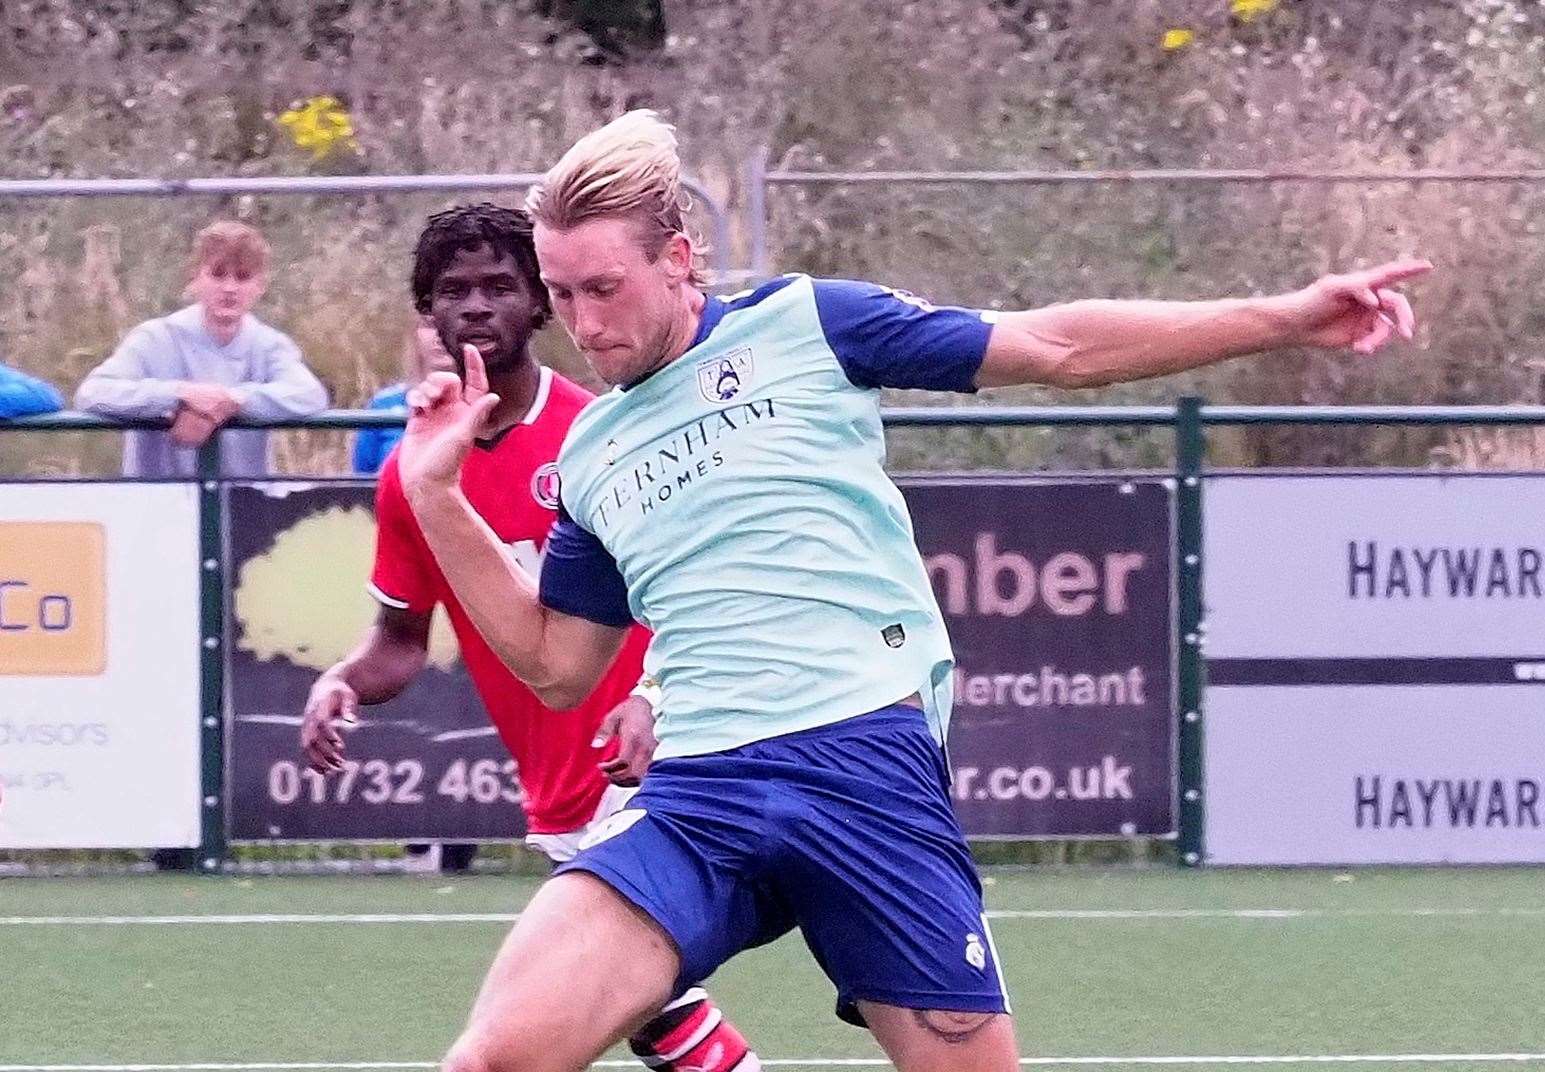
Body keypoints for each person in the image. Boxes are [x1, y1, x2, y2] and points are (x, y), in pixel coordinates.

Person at [396, 111, 1430, 1072]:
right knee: (493, 1057)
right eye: (562, 293)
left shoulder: (810, 326)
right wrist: (435, 493)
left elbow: (1058, 347)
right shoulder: (592, 451)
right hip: (699, 794)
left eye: (604, 288)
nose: (584, 323)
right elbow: (556, 665)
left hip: (862, 765)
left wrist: (1285, 317)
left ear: (680, 257)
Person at [300, 203, 759, 1072]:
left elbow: (693, 590)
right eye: (451, 291)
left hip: (651, 769)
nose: (475, 306)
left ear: (539, 304)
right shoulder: (415, 469)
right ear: (427, 314)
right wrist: (344, 682)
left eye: (498, 286)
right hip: (556, 786)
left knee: (540, 1025)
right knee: (652, 1012)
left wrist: (652, 695)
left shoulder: (605, 433)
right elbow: (401, 639)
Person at [75, 220, 327, 478]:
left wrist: (233, 402)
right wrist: (180, 395)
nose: (229, 288)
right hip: (155, 504)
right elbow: (92, 392)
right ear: (195, 278)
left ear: (260, 286)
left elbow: (310, 394)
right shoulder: (155, 337)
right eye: (218, 274)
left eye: (242, 277)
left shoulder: (270, 345)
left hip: (242, 503)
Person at [352, 319, 455, 477]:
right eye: (429, 325)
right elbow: (362, 484)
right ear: (415, 334)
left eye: (452, 323)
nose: (439, 335)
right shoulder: (383, 405)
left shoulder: (492, 405)